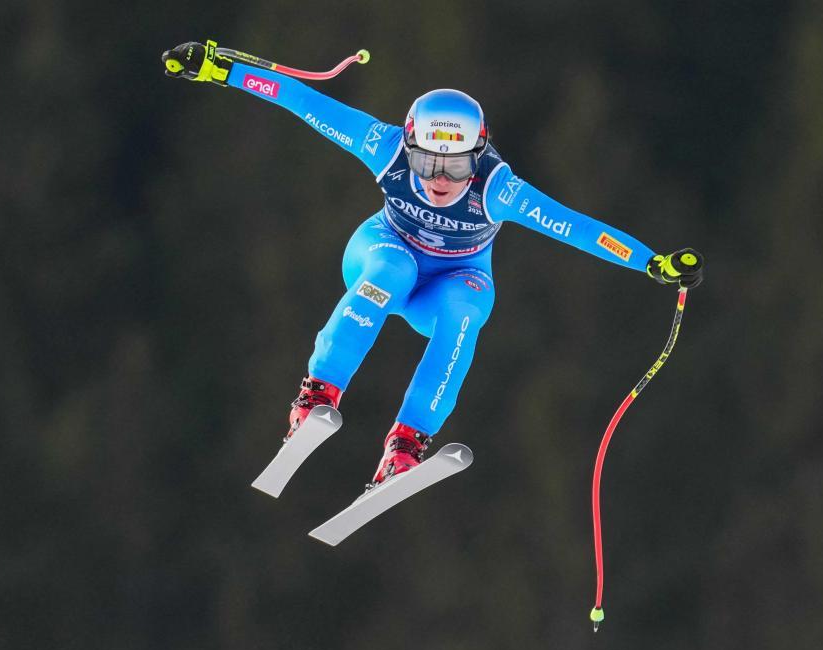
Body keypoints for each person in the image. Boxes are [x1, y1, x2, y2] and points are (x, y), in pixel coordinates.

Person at [162, 40, 704, 488]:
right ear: (409, 143)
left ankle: (406, 442)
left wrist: (651, 263)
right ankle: (318, 393)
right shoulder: (386, 147)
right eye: (425, 162)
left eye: (457, 165)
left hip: (451, 281)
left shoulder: (500, 190)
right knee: (391, 272)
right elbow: (304, 102)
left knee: (467, 309)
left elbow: (577, 228)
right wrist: (218, 68)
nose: (439, 179)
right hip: (384, 251)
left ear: (480, 155)